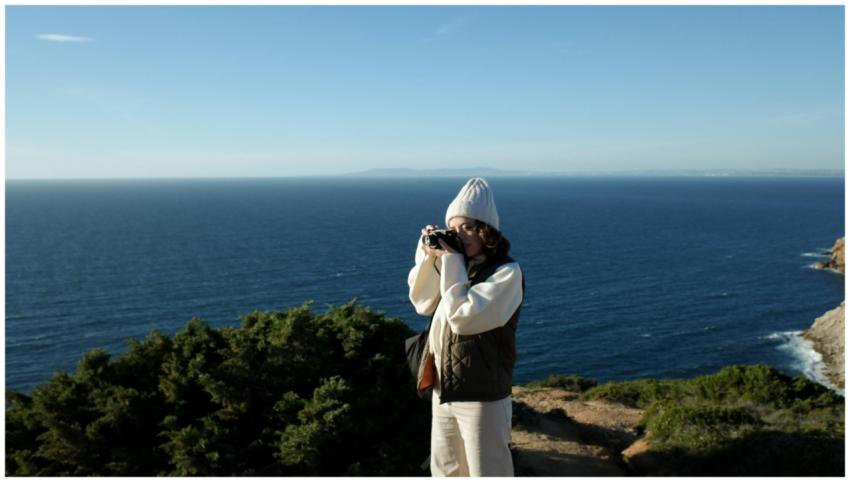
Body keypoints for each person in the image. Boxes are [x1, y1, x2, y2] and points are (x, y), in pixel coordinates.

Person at [407, 177, 524, 477]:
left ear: (487, 230)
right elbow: (423, 302)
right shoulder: (457, 267)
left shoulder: (506, 273)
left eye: (469, 227)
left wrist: (453, 260)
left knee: (487, 472)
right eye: (455, 228)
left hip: (482, 396)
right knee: (446, 471)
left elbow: (463, 317)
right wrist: (429, 257)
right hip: (443, 390)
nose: (461, 235)